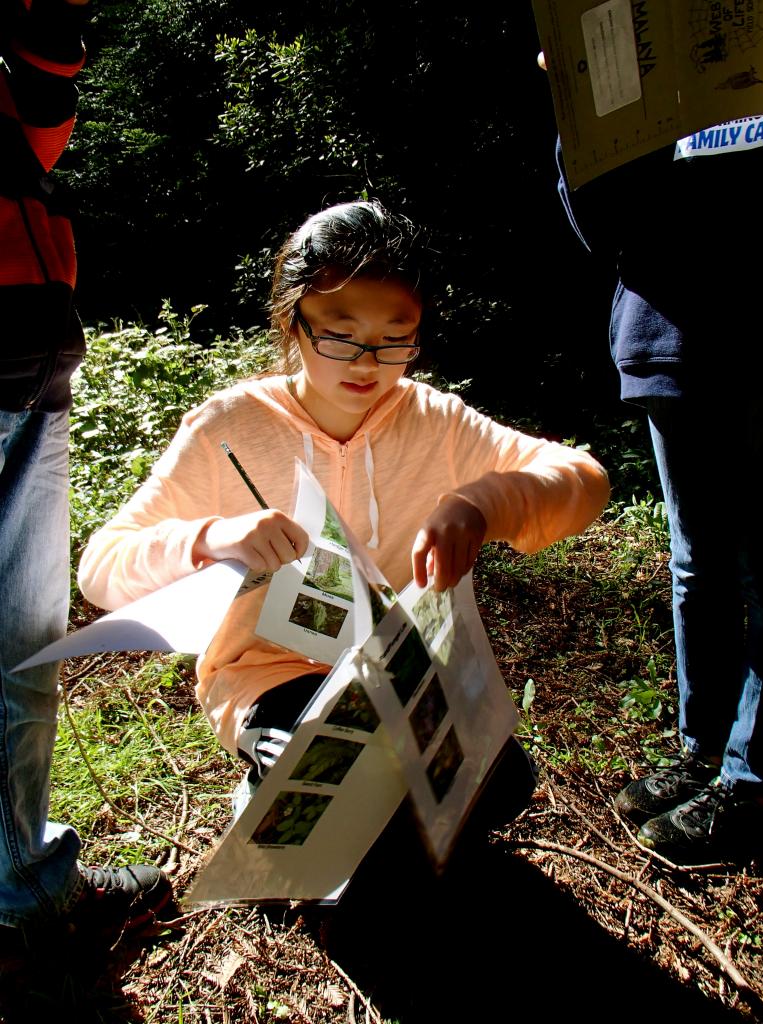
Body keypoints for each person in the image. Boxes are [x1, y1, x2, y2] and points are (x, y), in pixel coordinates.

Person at [78, 199, 610, 833]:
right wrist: (211, 538)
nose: (366, 362)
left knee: (499, 787)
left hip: (397, 665)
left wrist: (482, 503)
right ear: (292, 321)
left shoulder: (433, 420)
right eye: (340, 332)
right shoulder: (231, 426)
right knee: (336, 790)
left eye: (394, 339)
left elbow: (584, 480)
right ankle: (271, 797)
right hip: (271, 672)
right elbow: (102, 568)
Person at [550, 83, 763, 862]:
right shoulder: (649, 75)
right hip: (671, 346)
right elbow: (599, 227)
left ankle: (751, 783)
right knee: (697, 565)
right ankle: (703, 750)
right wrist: (578, 115)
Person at [0, 0, 173, 959]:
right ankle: (21, 891)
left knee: (19, 644)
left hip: (26, 362)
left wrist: (45, 28)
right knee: (13, 650)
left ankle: (17, 871)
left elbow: (39, 135)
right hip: (13, 365)